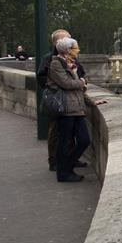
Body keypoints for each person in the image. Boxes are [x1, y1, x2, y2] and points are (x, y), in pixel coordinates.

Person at [46, 37, 107, 182]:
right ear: (67, 50)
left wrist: (92, 102)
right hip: (66, 109)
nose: (78, 51)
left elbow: (78, 90)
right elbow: (66, 84)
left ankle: (67, 165)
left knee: (84, 140)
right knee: (64, 142)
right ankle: (63, 173)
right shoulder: (56, 64)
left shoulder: (72, 64)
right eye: (75, 48)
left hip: (77, 108)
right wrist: (81, 81)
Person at [37, 29, 86, 171]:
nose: (71, 43)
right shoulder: (50, 60)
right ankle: (54, 161)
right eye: (67, 40)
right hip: (58, 101)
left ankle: (70, 159)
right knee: (56, 132)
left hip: (72, 100)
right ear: (57, 43)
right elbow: (43, 78)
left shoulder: (72, 58)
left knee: (69, 133)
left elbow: (81, 74)